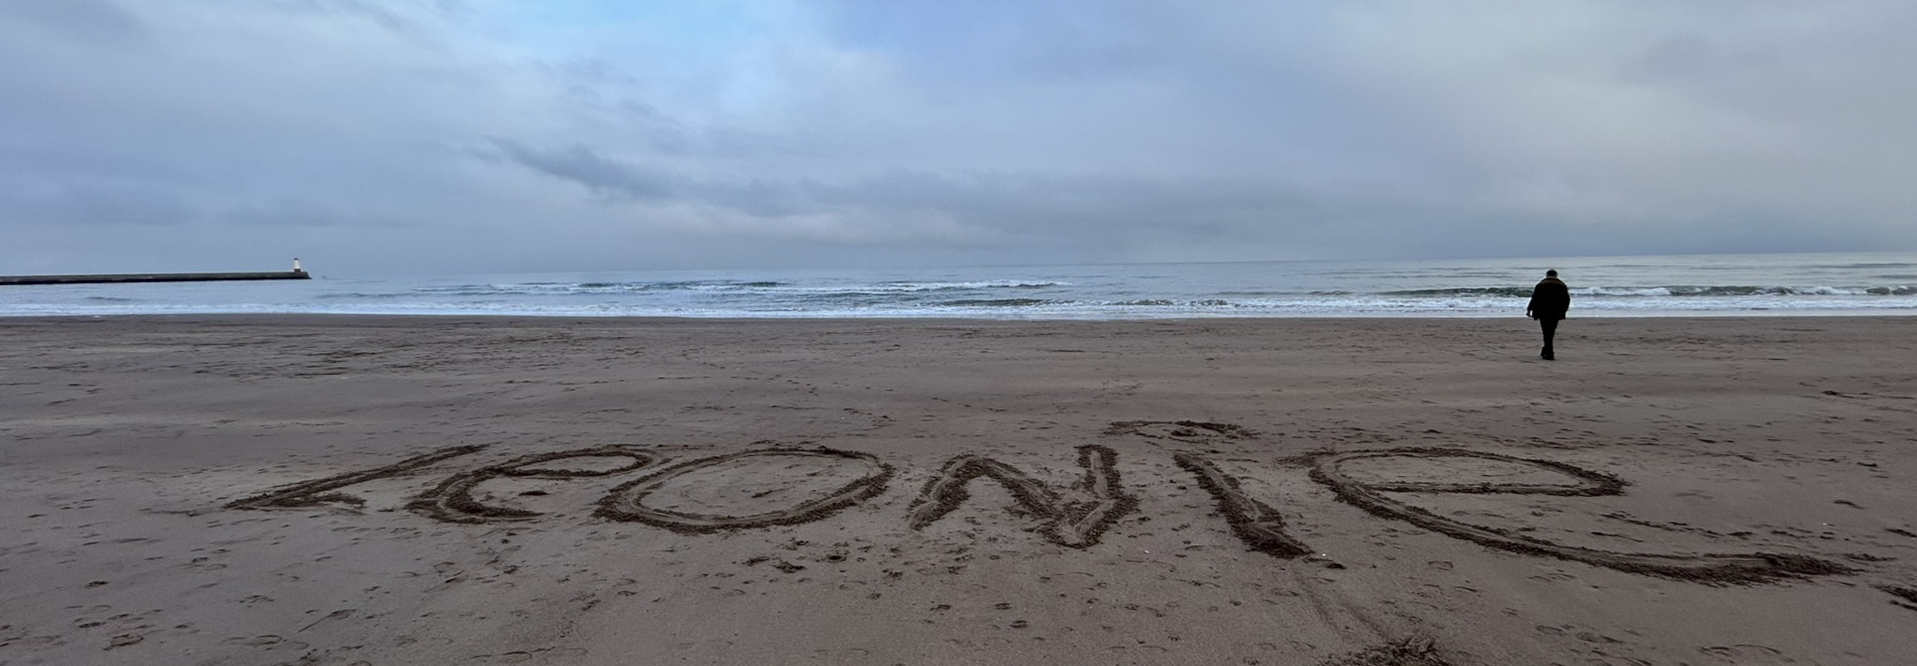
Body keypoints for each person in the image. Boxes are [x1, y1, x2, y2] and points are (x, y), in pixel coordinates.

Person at [1525, 270, 1570, 360]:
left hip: (1543, 312)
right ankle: (1547, 350)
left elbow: (1535, 298)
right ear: (1556, 275)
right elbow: (1566, 300)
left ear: (1547, 275)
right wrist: (1563, 311)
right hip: (1556, 312)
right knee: (1551, 331)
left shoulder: (1541, 285)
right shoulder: (1562, 285)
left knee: (1546, 331)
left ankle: (1548, 351)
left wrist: (1529, 309)